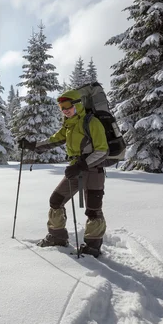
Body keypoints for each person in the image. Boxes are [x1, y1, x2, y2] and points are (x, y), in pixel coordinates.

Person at [19, 89, 108, 257]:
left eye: (67, 105)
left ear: (77, 105)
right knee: (56, 200)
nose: (65, 109)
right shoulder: (69, 126)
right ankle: (57, 237)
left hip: (93, 171)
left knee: (93, 210)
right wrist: (32, 145)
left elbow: (102, 151)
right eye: (61, 107)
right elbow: (53, 140)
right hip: (75, 171)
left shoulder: (91, 122)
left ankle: (93, 247)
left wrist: (82, 165)